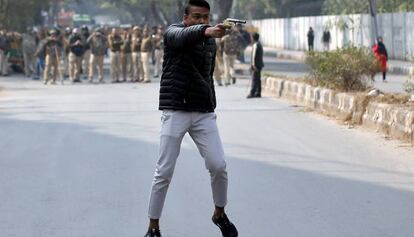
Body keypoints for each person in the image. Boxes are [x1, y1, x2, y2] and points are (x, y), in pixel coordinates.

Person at [144, 0, 238, 237]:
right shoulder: (173, 33)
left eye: (205, 17)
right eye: (196, 17)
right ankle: (153, 227)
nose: (201, 21)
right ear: (185, 18)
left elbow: (207, 76)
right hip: (175, 110)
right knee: (163, 172)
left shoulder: (210, 44)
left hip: (203, 112)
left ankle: (219, 214)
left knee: (219, 166)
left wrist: (211, 103)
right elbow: (182, 36)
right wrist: (205, 30)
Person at [247, 32, 264, 98]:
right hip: (260, 64)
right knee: (258, 79)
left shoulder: (255, 45)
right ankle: (258, 92)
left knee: (254, 79)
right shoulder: (259, 44)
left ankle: (252, 93)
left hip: (256, 65)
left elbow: (254, 56)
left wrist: (253, 65)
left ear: (253, 38)